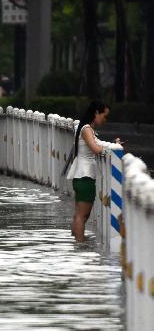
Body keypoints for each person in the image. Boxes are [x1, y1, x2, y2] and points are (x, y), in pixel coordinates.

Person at [67, 99, 122, 242]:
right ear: (97, 113)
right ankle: (80, 245)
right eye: (104, 115)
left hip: (82, 176)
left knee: (80, 215)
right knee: (82, 215)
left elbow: (99, 143)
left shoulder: (87, 129)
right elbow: (96, 148)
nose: (105, 119)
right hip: (85, 177)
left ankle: (77, 243)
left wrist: (113, 145)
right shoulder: (86, 129)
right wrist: (111, 152)